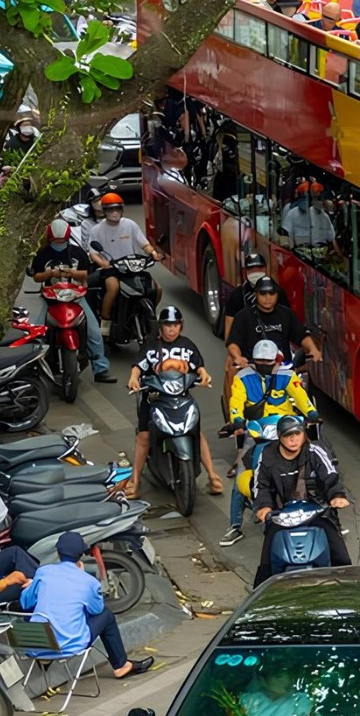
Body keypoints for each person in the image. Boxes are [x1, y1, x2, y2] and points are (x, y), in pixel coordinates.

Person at [23, 532, 154, 680]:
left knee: (38, 609)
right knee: (106, 615)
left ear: (58, 553)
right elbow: (96, 610)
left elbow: (25, 603)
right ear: (80, 556)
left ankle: (45, 657)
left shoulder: (43, 572)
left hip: (34, 645)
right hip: (70, 645)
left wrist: (32, 587)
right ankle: (121, 665)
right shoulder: (88, 581)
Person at [225, 342, 318, 543]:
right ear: (253, 360)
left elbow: (300, 396)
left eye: (268, 361)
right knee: (242, 474)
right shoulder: (242, 378)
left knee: (316, 462)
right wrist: (237, 419)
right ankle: (235, 525)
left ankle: (329, 517)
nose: (264, 364)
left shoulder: (287, 376)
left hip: (287, 429)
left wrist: (311, 412)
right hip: (258, 433)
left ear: (276, 359)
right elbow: (236, 401)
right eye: (259, 361)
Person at [129, 306, 224, 496]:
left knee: (196, 432)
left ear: (181, 326)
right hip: (155, 399)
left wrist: (204, 375)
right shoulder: (151, 344)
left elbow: (199, 367)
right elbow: (138, 366)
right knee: (144, 437)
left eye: (175, 325)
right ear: (161, 327)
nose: (171, 329)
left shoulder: (187, 345)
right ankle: (135, 480)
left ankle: (213, 476)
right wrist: (133, 378)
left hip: (181, 398)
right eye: (167, 325)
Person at [250, 415, 352, 584]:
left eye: (297, 433)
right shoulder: (267, 454)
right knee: (267, 562)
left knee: (341, 556)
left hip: (316, 512)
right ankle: (259, 596)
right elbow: (261, 485)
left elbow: (331, 476)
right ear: (279, 437)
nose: (293, 439)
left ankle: (349, 590)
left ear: (304, 434)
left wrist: (337, 496)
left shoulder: (315, 451)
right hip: (281, 515)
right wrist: (264, 507)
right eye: (287, 435)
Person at [31, 217, 114, 382]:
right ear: (50, 238)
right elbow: (36, 276)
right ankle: (34, 368)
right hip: (50, 300)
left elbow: (86, 273)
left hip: (76, 298)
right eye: (56, 240)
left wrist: (73, 274)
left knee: (94, 332)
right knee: (37, 333)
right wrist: (50, 274)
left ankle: (100, 368)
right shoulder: (42, 254)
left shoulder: (77, 253)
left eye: (62, 240)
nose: (59, 242)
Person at [85, 192, 165, 326]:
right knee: (113, 288)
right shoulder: (97, 230)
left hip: (132, 267)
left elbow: (144, 243)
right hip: (112, 269)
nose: (115, 213)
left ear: (122, 210)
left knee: (156, 289)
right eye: (111, 210)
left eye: (117, 209)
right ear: (104, 211)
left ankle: (149, 313)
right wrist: (103, 263)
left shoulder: (130, 225)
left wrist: (153, 253)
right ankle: (106, 321)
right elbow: (93, 253)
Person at [226, 274, 322, 375]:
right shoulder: (243, 316)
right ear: (256, 295)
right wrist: (238, 357)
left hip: (283, 370)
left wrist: (313, 349)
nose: (268, 297)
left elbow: (301, 335)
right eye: (263, 293)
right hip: (252, 370)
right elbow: (233, 342)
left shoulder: (287, 314)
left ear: (277, 294)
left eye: (271, 293)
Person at [240, 660, 325, 716]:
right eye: (278, 676)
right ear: (262, 680)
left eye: (289, 676)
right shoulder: (248, 700)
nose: (286, 681)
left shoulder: (299, 700)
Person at [279, 181, 337, 253]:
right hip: (299, 257)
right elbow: (284, 239)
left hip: (320, 257)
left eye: (320, 198)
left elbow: (332, 240)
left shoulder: (325, 218)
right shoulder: (292, 213)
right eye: (317, 198)